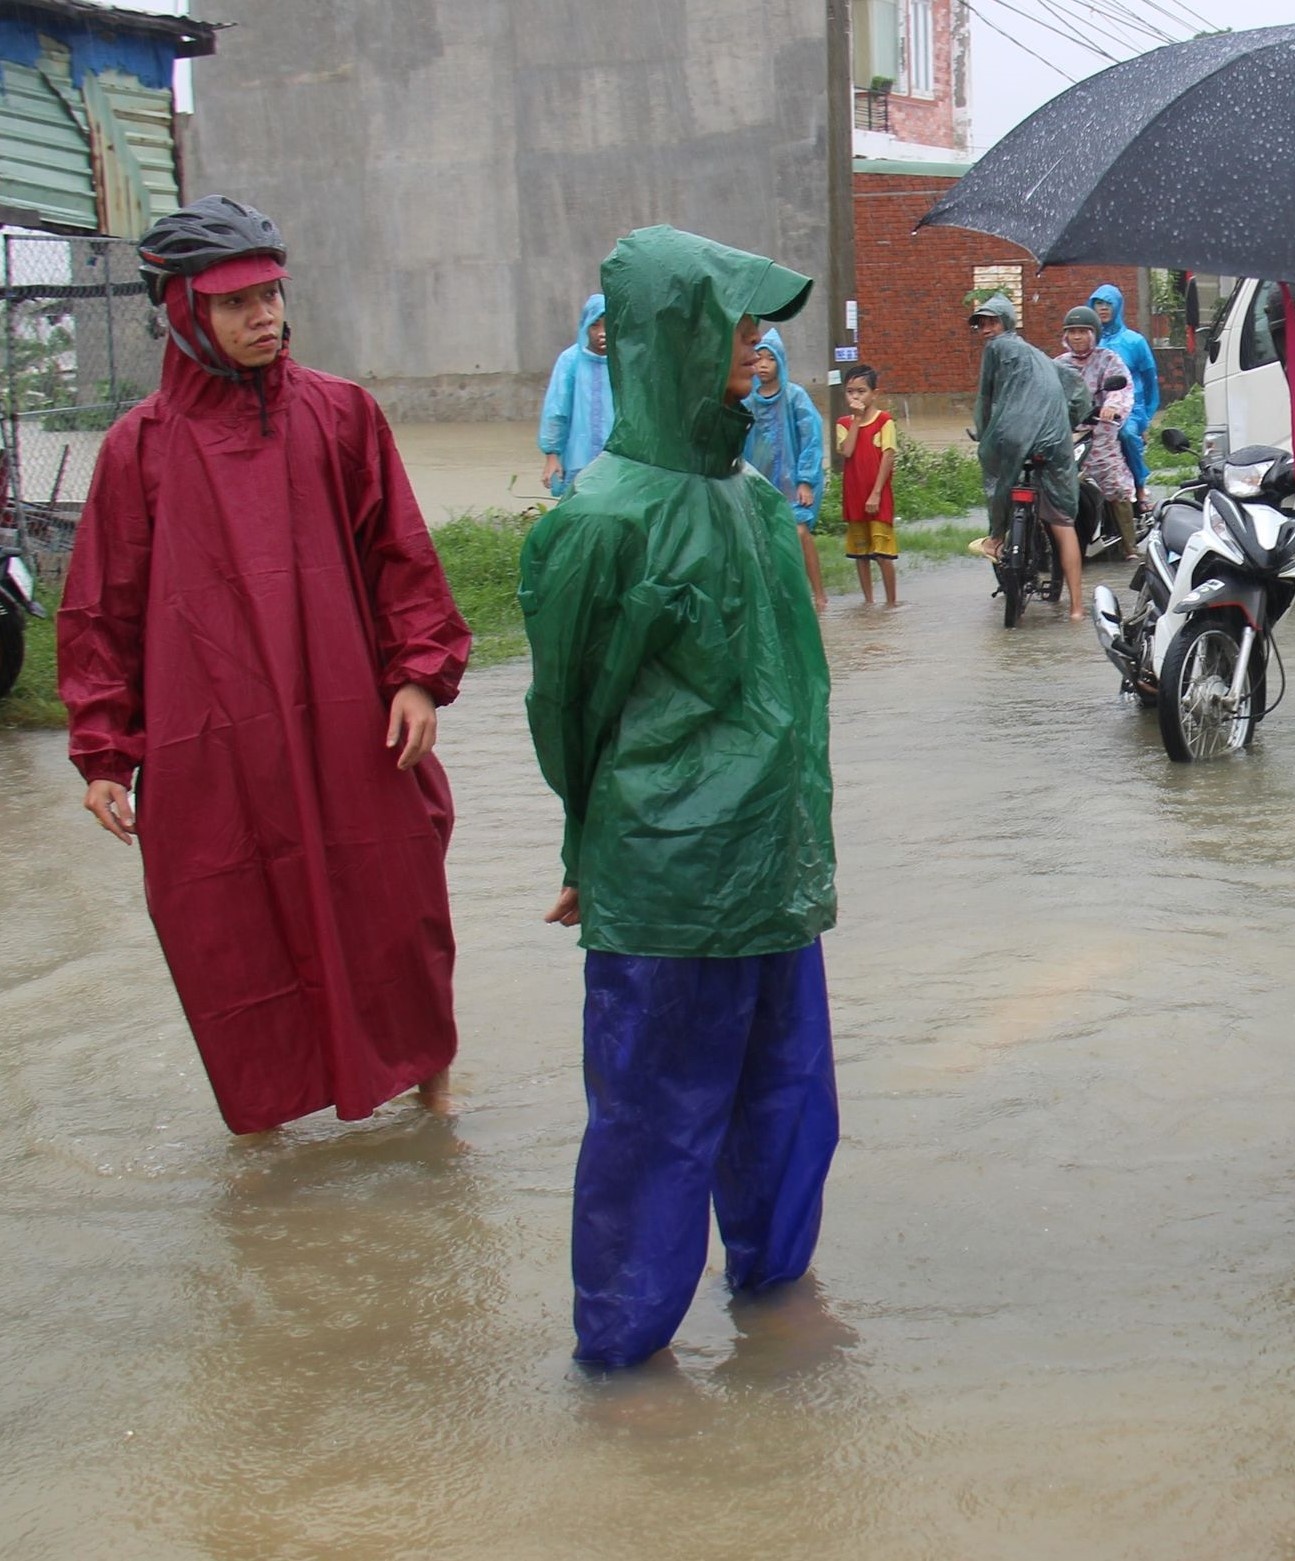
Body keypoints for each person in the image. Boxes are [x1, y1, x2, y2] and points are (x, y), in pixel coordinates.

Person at [56, 195, 471, 1134]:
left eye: (273, 295)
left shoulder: (341, 414)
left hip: (353, 728)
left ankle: (433, 1095)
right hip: (214, 746)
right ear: (185, 312)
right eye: (238, 303)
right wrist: (102, 753)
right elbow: (101, 610)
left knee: (395, 904)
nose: (266, 318)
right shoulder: (141, 448)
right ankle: (268, 1129)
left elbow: (399, 555)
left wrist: (415, 673)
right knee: (228, 927)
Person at [519, 225, 839, 1369]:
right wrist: (585, 850)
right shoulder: (600, 519)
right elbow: (571, 716)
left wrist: (803, 843)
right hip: (666, 878)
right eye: (738, 331)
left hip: (772, 868)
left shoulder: (754, 500)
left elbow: (793, 690)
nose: (758, 354)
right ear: (673, 340)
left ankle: (776, 1295)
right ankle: (620, 1352)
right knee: (654, 1128)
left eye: (760, 333)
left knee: (789, 1105)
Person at [968, 294, 1083, 620]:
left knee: (995, 474)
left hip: (1016, 438)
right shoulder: (1045, 358)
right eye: (982, 324)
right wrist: (1069, 424)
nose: (986, 329)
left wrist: (983, 433)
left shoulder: (995, 349)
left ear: (1006, 322)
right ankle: (1076, 610)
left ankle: (995, 539)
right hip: (1055, 443)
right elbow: (1078, 391)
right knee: (1062, 523)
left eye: (992, 321)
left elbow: (984, 399)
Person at [743, 326, 829, 609]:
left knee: (800, 533)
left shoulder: (795, 397)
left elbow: (811, 438)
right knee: (762, 540)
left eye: (770, 358)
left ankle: (818, 595)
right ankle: (776, 598)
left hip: (793, 485)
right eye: (758, 358)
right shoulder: (747, 400)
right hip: (758, 483)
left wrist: (806, 480)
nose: (763, 365)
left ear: (780, 361)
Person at [1056, 307, 1138, 560]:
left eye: (1083, 332)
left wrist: (1111, 407)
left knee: (1115, 482)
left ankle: (1130, 546)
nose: (1077, 337)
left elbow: (1121, 387)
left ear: (1094, 334)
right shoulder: (1058, 364)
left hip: (1099, 433)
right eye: (1072, 332)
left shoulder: (1108, 359)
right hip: (1067, 434)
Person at [832, 365, 901, 607]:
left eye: (861, 391)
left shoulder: (885, 421)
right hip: (854, 495)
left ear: (874, 393)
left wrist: (876, 493)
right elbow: (847, 450)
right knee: (860, 554)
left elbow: (888, 456)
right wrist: (857, 420)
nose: (856, 397)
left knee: (883, 554)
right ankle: (868, 602)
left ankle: (891, 604)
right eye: (850, 392)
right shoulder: (842, 423)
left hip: (877, 496)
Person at [1089, 283, 1161, 502]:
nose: (1102, 309)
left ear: (1118, 307)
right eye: (1098, 304)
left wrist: (1145, 417)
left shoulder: (1134, 341)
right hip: (1095, 409)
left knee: (1126, 435)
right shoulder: (1090, 341)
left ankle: (1139, 487)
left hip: (1131, 409)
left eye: (1108, 304)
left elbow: (1150, 381)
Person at [539, 293, 613, 499]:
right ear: (585, 326)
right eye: (595, 325)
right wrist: (552, 455)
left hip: (617, 460)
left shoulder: (625, 360)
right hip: (578, 458)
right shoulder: (570, 361)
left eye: (608, 326)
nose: (601, 333)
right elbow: (556, 411)